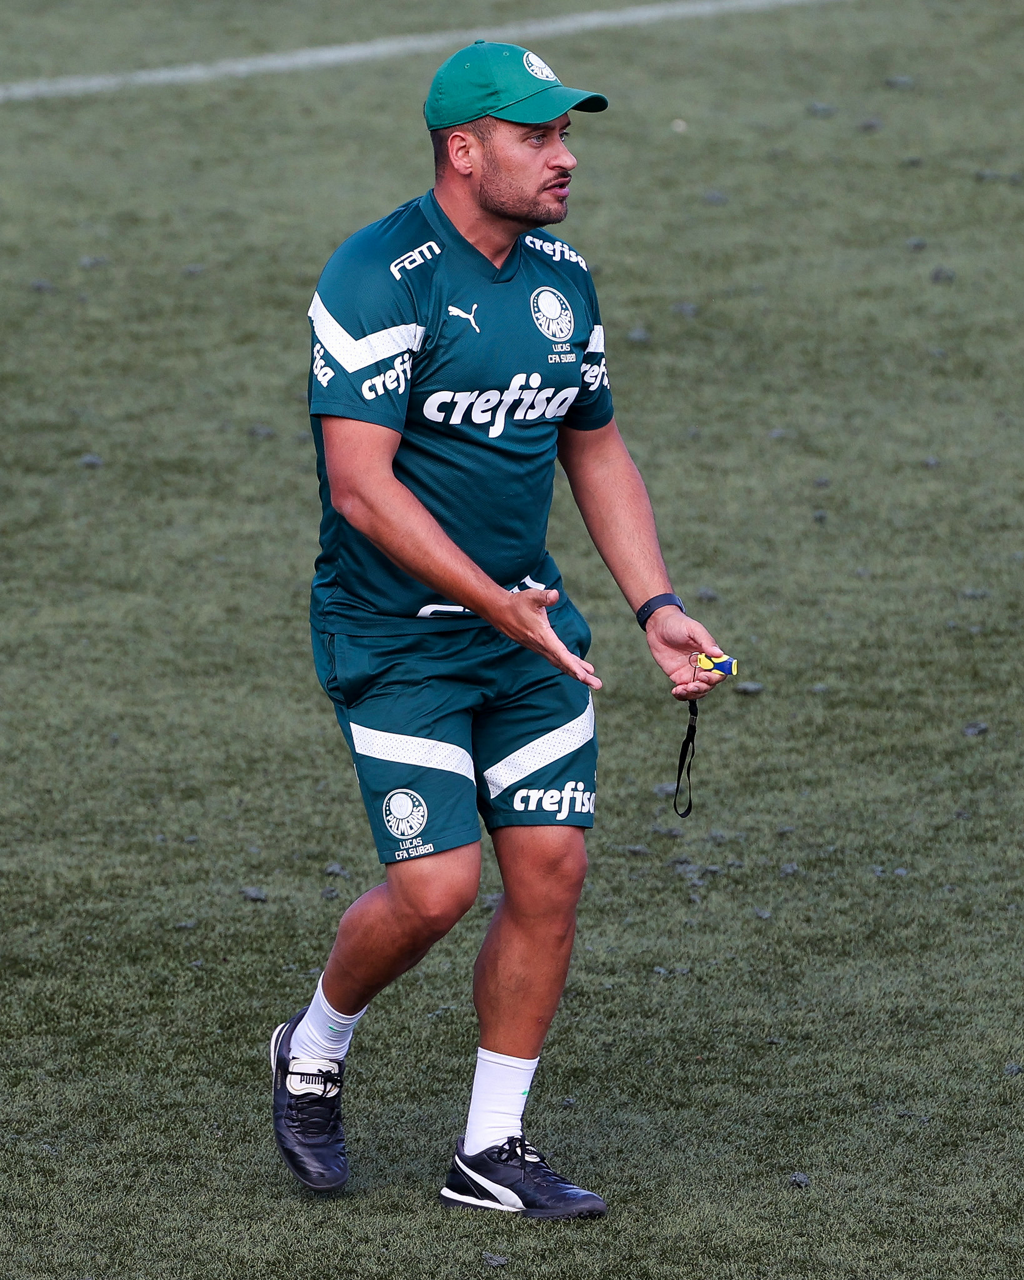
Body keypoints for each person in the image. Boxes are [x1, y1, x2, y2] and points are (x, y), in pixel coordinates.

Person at [270, 39, 727, 1219]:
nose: (563, 156)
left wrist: (656, 606)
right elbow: (360, 486)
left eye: (565, 133)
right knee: (433, 890)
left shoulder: (561, 280)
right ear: (463, 151)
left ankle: (489, 1146)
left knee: (550, 870)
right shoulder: (377, 277)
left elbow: (594, 445)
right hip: (396, 639)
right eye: (536, 136)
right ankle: (312, 1046)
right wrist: (493, 599)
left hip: (525, 634)